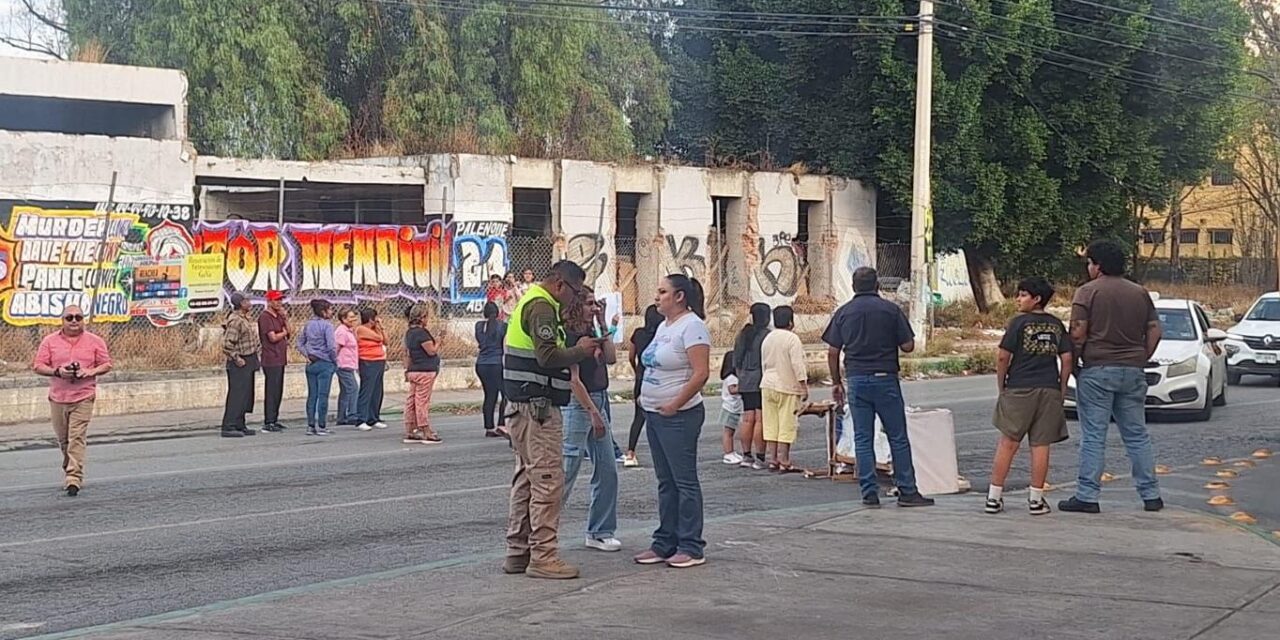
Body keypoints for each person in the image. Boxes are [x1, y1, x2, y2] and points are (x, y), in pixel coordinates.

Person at [502, 261, 600, 580]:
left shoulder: (529, 303)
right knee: (547, 480)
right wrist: (580, 351)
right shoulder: (542, 307)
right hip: (537, 408)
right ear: (559, 284)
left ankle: (519, 551)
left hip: (525, 406)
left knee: (527, 480)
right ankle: (544, 555)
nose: (574, 299)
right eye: (574, 292)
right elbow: (547, 357)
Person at [1062, 240, 1164, 514]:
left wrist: (1076, 363)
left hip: (1098, 369)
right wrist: (1141, 357)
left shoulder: (1086, 292)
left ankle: (1087, 496)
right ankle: (1151, 495)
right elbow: (1155, 330)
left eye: (1090, 263)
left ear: (1098, 265)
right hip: (1132, 371)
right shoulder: (1139, 292)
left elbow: (1078, 332)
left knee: (1094, 435)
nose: (1088, 268)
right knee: (1137, 434)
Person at [823, 267, 934, 508]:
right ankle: (907, 491)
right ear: (877, 286)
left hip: (856, 380)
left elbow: (832, 351)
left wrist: (836, 381)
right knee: (897, 436)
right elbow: (908, 346)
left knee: (863, 438)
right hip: (885, 379)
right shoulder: (890, 310)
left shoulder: (843, 313)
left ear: (854, 287)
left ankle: (869, 493)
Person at [634, 274, 712, 569]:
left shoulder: (693, 327)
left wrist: (675, 403)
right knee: (666, 482)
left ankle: (691, 545)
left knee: (684, 481)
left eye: (662, 291)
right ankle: (664, 541)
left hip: (678, 415)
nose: (657, 296)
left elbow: (701, 373)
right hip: (655, 413)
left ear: (679, 296)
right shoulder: (665, 326)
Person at [987, 277, 1073, 516]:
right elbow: (1066, 359)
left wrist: (1002, 385)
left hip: (1019, 388)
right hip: (1048, 389)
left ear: (1036, 299)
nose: (1018, 299)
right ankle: (1036, 500)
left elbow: (1003, 356)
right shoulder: (1056, 325)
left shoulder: (1018, 323)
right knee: (1040, 445)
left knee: (1008, 443)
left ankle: (994, 498)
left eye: (1023, 295)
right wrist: (1062, 387)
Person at [561, 286, 622, 553]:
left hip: (599, 397)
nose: (593, 307)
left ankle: (600, 530)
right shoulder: (572, 335)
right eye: (588, 304)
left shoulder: (593, 330)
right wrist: (592, 413)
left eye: (595, 303)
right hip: (579, 404)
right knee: (567, 468)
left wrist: (601, 320)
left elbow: (610, 357)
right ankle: (540, 529)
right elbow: (573, 380)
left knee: (607, 467)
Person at [32, 305, 112, 496]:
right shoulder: (49, 341)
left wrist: (89, 371)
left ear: (83, 319)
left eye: (78, 317)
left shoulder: (95, 341)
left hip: (83, 395)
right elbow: (38, 365)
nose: (74, 321)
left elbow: (106, 364)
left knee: (76, 436)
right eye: (69, 317)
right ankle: (70, 466)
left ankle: (73, 478)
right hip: (58, 397)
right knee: (63, 439)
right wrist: (58, 371)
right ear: (63, 320)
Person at [760, 305, 808, 473]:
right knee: (786, 423)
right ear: (791, 321)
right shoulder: (792, 338)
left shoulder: (768, 338)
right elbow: (797, 364)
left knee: (771, 423)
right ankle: (784, 459)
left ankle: (772, 458)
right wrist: (803, 385)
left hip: (767, 384)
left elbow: (764, 363)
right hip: (786, 385)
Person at [622, 304, 663, 468]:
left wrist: (636, 369)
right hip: (658, 378)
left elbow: (631, 356)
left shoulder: (638, 334)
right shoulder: (662, 335)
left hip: (641, 377)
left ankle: (630, 452)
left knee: (638, 416)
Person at [732, 303, 772, 470]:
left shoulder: (743, 334)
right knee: (760, 418)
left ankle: (746, 455)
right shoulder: (767, 335)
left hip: (745, 379)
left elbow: (736, 360)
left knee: (747, 418)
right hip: (760, 379)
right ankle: (760, 457)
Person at [221, 292, 261, 438]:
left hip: (249, 359)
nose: (250, 303)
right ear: (241, 303)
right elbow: (227, 344)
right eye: (247, 300)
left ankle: (240, 423)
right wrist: (237, 358)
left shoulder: (245, 319)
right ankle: (229, 425)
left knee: (245, 395)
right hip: (240, 362)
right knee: (237, 395)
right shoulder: (235, 321)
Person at [404, 304, 444, 444]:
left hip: (414, 370)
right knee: (422, 401)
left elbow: (408, 354)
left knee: (411, 400)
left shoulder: (409, 333)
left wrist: (407, 369)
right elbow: (431, 351)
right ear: (421, 318)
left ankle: (410, 428)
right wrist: (438, 341)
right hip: (425, 370)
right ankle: (426, 430)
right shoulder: (422, 333)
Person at [297, 299, 338, 436]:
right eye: (330, 309)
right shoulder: (327, 326)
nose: (332, 312)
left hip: (311, 363)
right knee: (323, 395)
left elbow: (300, 343)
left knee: (312, 395)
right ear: (323, 312)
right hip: (325, 362)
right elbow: (331, 346)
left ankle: (310, 425)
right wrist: (334, 360)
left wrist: (307, 355)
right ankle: (321, 425)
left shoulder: (308, 324)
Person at [257, 290, 290, 432]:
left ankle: (275, 418)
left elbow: (290, 332)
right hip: (271, 358)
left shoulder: (279, 316)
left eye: (280, 300)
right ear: (269, 301)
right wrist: (283, 333)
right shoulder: (265, 317)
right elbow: (273, 337)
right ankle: (268, 420)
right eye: (276, 300)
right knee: (271, 390)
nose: (279, 302)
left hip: (281, 358)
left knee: (278, 390)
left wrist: (286, 319)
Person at [475, 301, 508, 438]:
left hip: (482, 363)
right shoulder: (503, 326)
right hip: (497, 363)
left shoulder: (479, 326)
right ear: (498, 312)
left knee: (489, 395)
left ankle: (489, 427)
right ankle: (501, 424)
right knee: (505, 395)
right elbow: (505, 345)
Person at [355, 308, 389, 430]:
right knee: (367, 390)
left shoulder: (376, 329)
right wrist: (379, 329)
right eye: (376, 319)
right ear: (371, 319)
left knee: (377, 391)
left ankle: (373, 417)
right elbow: (378, 338)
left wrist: (381, 327)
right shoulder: (361, 329)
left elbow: (386, 341)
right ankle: (361, 419)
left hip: (379, 360)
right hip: (367, 361)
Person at [335, 309, 362, 427]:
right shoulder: (342, 331)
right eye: (350, 317)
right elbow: (337, 347)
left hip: (349, 364)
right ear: (343, 319)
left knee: (345, 391)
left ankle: (341, 417)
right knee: (353, 389)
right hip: (344, 364)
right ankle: (352, 414)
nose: (353, 319)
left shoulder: (349, 331)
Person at [719, 352, 744, 465]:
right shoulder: (732, 377)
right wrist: (744, 387)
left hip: (733, 407)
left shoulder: (732, 376)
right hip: (730, 407)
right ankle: (728, 453)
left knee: (731, 431)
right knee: (728, 432)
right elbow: (732, 390)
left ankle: (732, 452)